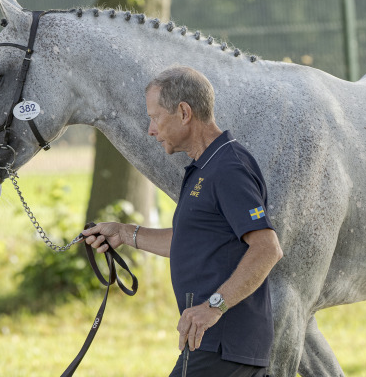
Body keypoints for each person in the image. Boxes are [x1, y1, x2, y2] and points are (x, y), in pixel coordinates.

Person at [82, 65, 283, 377]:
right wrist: (123, 233)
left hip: (220, 341)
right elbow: (192, 242)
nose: (150, 129)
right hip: (218, 343)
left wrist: (213, 306)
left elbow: (267, 248)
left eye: (155, 117)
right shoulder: (204, 167)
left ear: (184, 112)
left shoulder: (228, 168)